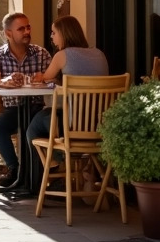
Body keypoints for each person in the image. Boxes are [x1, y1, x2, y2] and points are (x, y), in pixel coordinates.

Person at [0, 12, 53, 188]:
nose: (26, 31)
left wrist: (45, 78)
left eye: (28, 27)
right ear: (8, 34)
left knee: (38, 127)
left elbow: (56, 78)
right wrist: (2, 81)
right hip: (13, 109)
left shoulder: (41, 53)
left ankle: (37, 176)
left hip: (36, 107)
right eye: (21, 29)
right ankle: (15, 169)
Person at [25, 15, 110, 147]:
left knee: (34, 126)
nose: (51, 37)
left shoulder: (62, 55)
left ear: (64, 34)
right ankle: (66, 162)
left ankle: (52, 164)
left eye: (54, 33)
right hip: (99, 125)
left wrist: (38, 76)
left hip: (70, 125)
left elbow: (44, 78)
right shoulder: (99, 54)